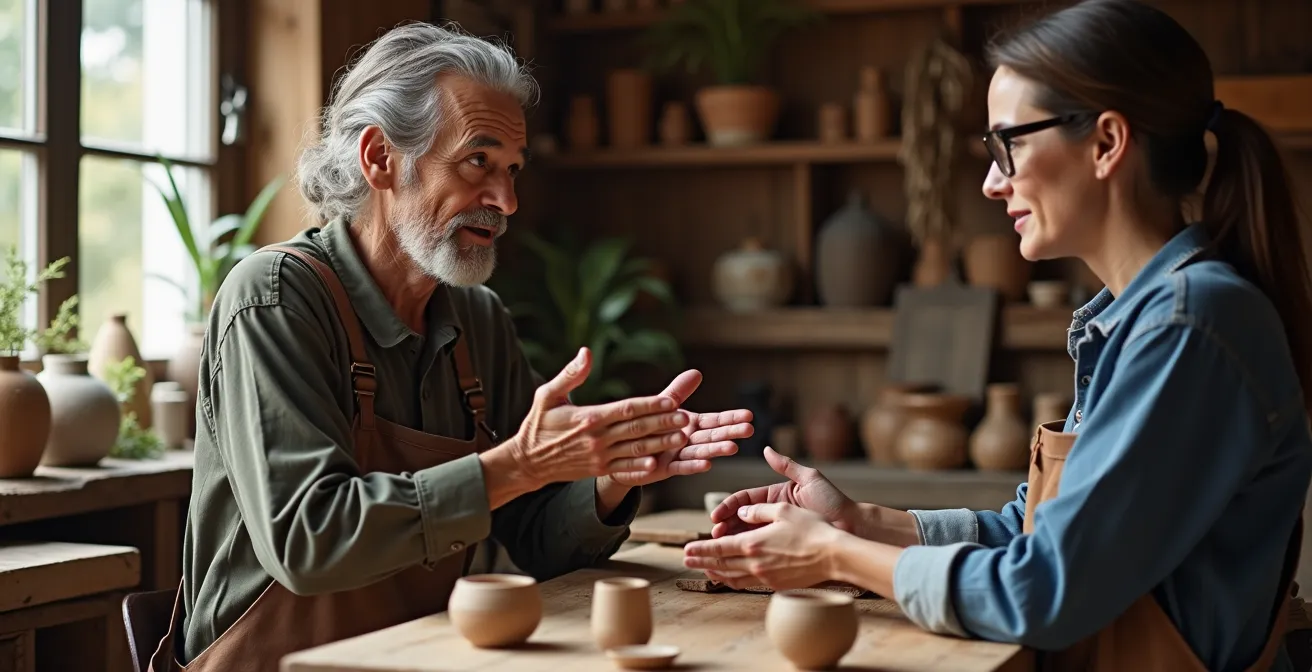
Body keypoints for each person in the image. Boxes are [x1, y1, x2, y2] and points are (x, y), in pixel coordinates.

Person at [682, 1, 1312, 670]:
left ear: (1106, 143)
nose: (990, 182)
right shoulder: (1142, 318)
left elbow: (1041, 591)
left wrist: (833, 556)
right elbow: (1032, 535)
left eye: (1007, 145)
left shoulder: (1189, 326)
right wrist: (859, 522)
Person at [155, 22, 753, 670]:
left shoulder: (477, 320)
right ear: (380, 157)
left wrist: (609, 476)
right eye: (478, 162)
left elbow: (537, 538)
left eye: (513, 170)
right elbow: (309, 540)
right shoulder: (274, 300)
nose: (506, 200)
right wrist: (520, 464)